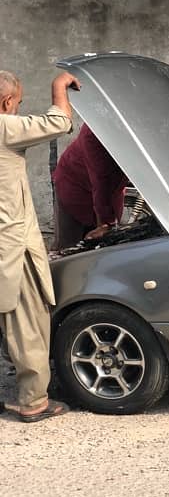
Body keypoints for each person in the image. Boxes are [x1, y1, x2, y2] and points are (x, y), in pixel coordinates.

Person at [0, 69, 79, 421]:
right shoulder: (4, 126)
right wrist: (59, 85)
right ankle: (34, 402)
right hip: (11, 246)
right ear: (6, 103)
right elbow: (59, 121)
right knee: (27, 322)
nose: (18, 108)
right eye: (18, 102)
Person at [51, 124, 128, 250]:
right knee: (68, 248)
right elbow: (101, 181)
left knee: (104, 245)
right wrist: (105, 224)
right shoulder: (92, 133)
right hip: (74, 187)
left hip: (112, 189)